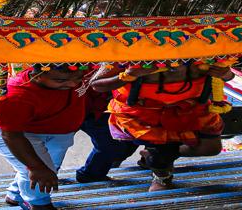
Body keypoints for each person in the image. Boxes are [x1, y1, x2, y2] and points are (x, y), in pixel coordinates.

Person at [92, 61, 232, 192]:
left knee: (211, 148)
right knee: (159, 161)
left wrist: (224, 73)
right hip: (145, 114)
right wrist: (130, 75)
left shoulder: (202, 46)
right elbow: (97, 85)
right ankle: (161, 174)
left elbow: (229, 76)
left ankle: (156, 157)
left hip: (192, 108)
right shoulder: (128, 50)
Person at [0, 63, 88, 210]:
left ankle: (15, 195)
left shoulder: (74, 72)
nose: (74, 84)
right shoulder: (15, 95)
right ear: (37, 75)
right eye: (61, 81)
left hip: (54, 130)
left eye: (79, 78)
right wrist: (36, 167)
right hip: (11, 133)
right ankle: (38, 204)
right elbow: (12, 135)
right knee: (37, 169)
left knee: (50, 167)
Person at [75, 86, 139, 183]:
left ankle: (99, 170)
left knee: (126, 142)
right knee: (112, 145)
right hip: (95, 111)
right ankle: (91, 175)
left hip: (114, 109)